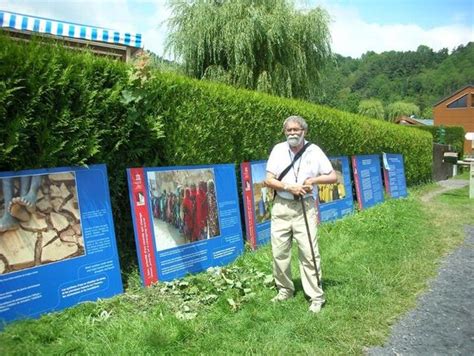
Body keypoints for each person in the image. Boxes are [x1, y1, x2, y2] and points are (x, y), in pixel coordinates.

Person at [264, 115, 337, 314]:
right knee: (279, 252)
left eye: (296, 130)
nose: (292, 133)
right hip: (281, 206)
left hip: (305, 206)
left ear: (304, 131)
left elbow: (332, 176)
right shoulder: (278, 150)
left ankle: (315, 296)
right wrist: (289, 186)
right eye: (289, 130)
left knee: (309, 252)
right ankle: (284, 290)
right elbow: (268, 180)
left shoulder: (314, 151)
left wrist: (312, 180)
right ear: (284, 132)